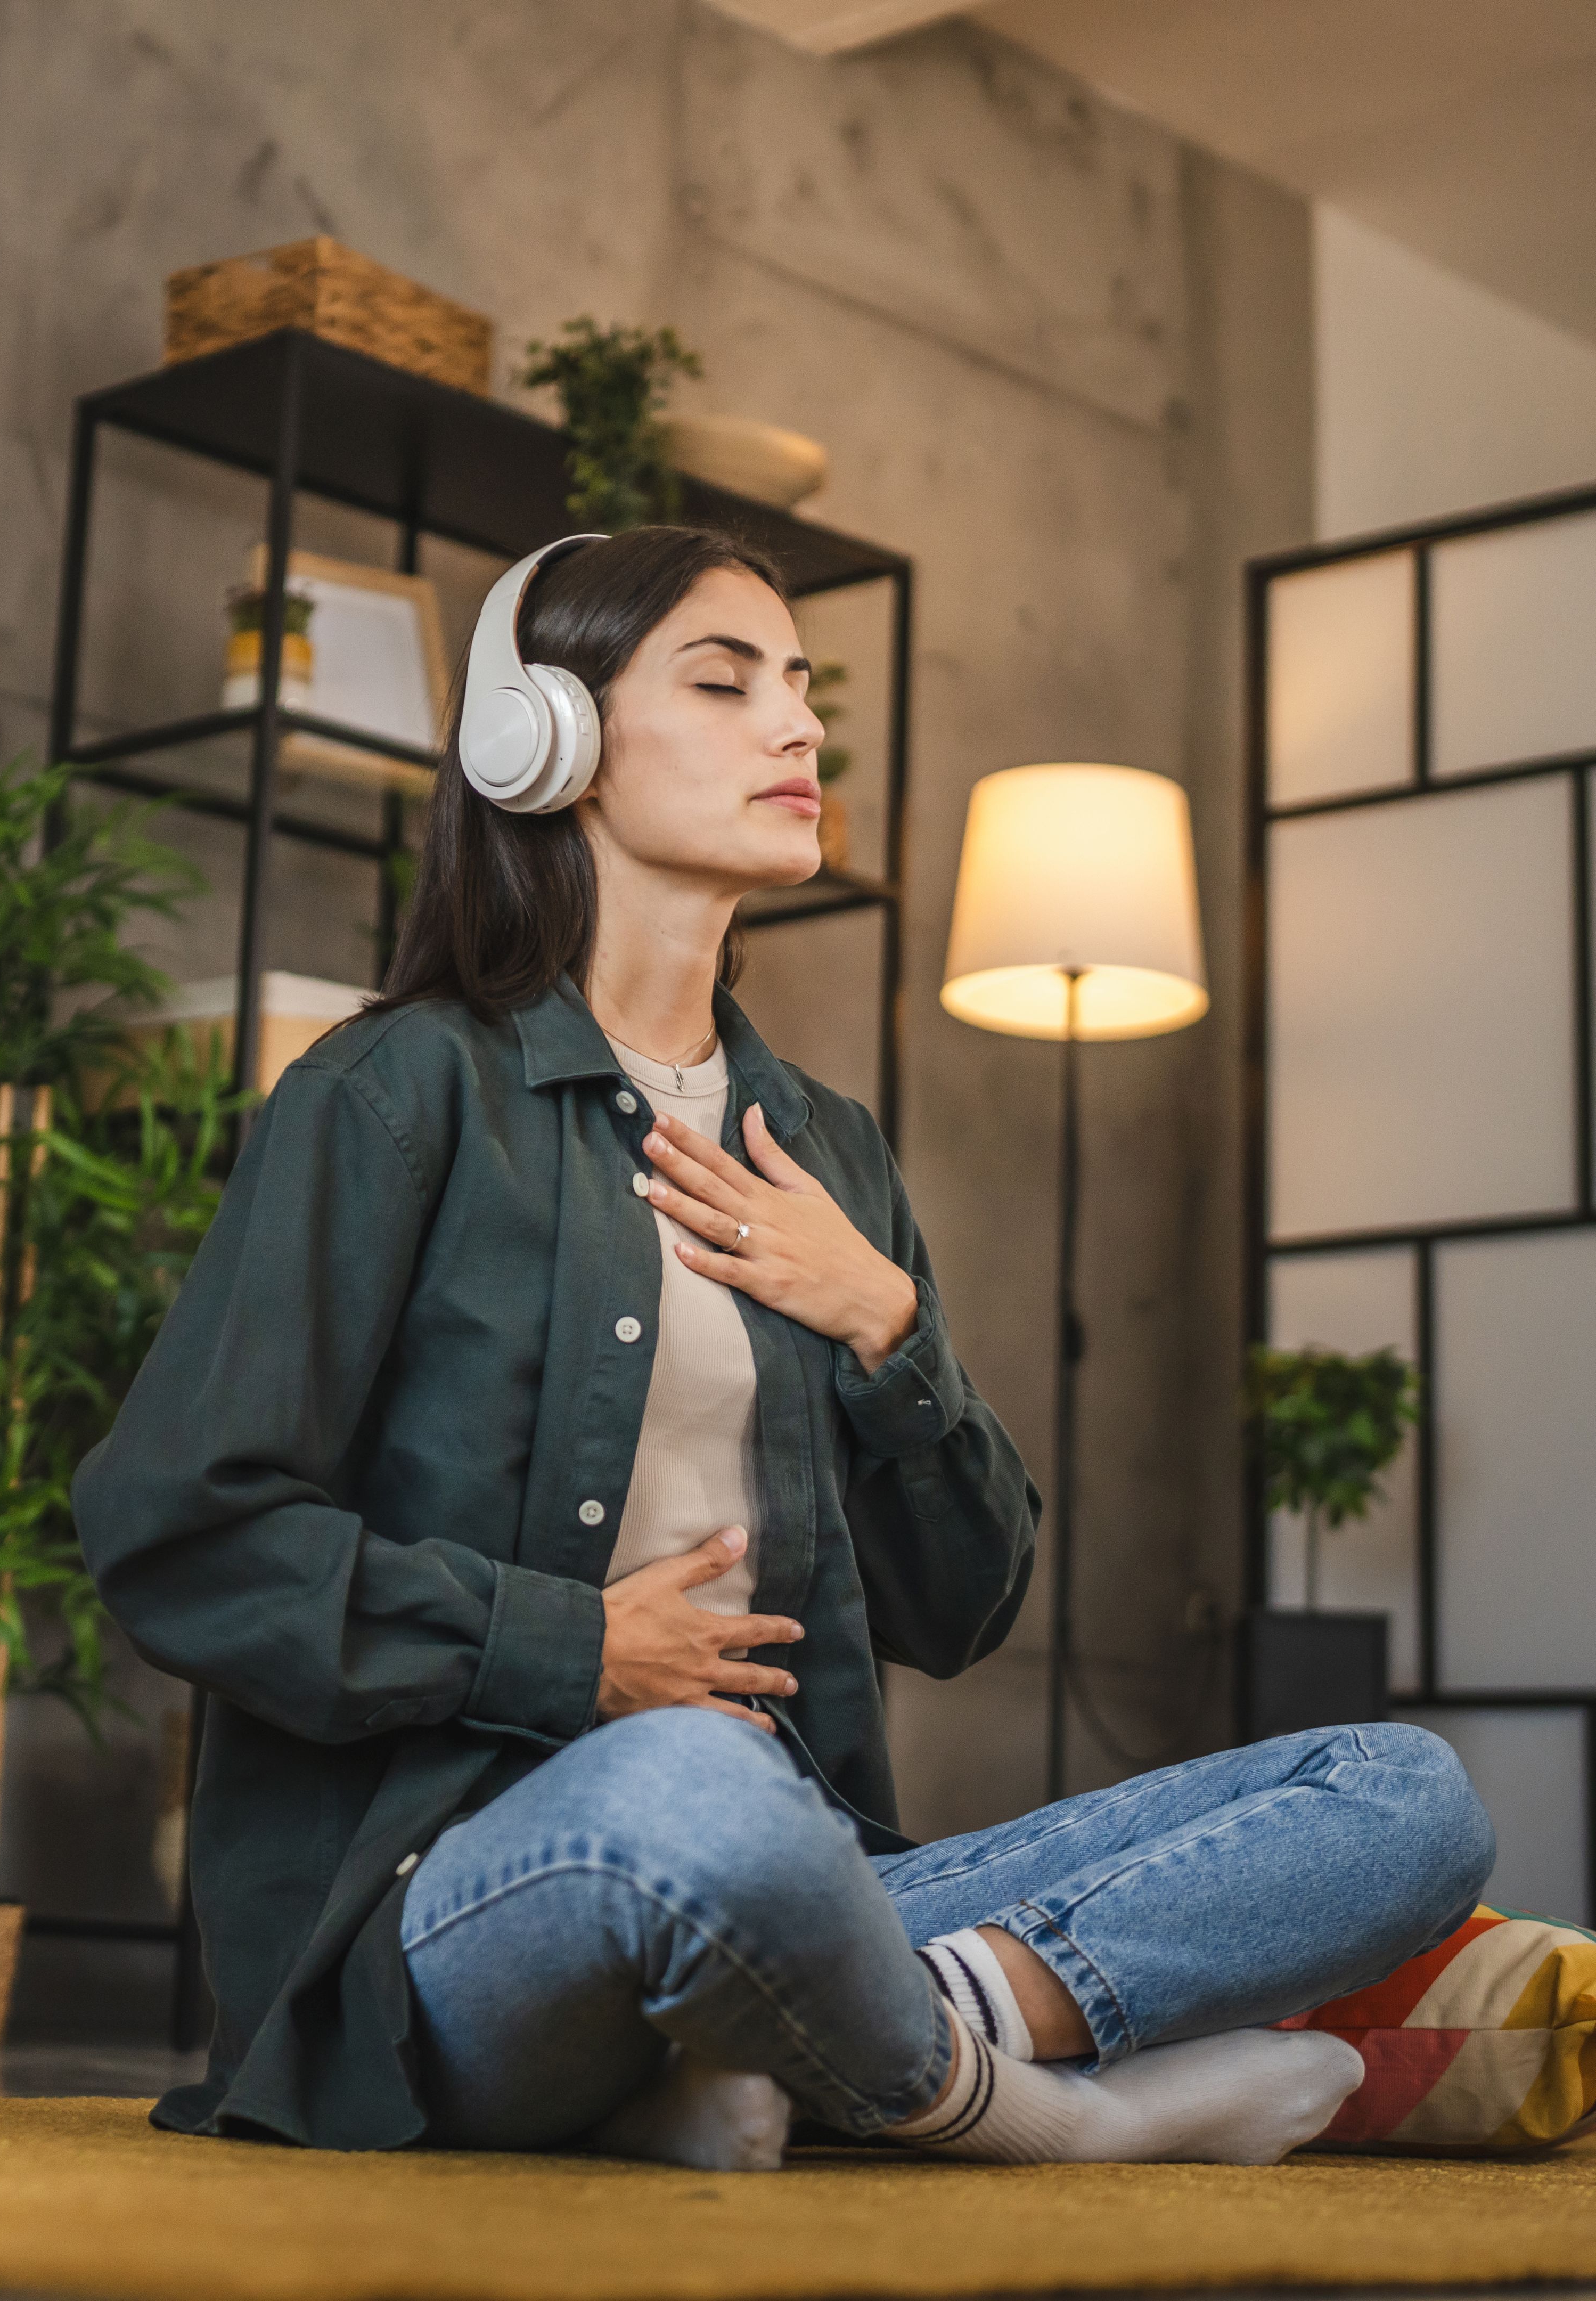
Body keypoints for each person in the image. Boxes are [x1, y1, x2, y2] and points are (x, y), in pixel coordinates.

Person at [73, 525, 1494, 2170]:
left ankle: (823, 2037)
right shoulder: (397, 1095)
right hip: (476, 1898)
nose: (800, 731)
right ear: (551, 739)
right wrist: (569, 1655)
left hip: (803, 1872)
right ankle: (1023, 2110)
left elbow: (962, 1609)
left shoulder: (828, 1151)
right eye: (726, 681)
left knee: (1401, 1798)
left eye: (804, 690)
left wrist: (885, 1326)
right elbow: (184, 1533)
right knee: (692, 1790)